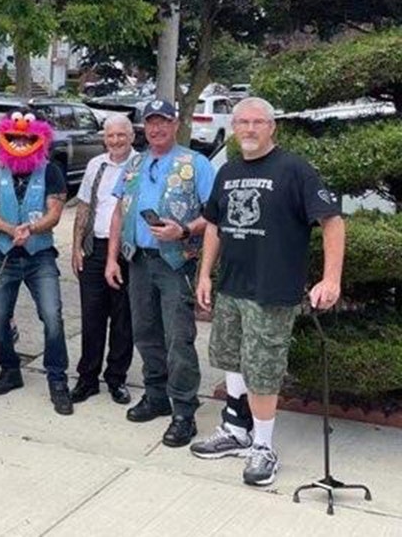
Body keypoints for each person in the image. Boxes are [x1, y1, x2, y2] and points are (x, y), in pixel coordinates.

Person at [191, 97, 343, 486]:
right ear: (235, 127)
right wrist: (205, 274)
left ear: (272, 127)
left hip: (272, 292)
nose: (249, 129)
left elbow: (332, 222)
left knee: (263, 370)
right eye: (242, 122)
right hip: (232, 286)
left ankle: (263, 447)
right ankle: (236, 430)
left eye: (258, 122)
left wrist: (331, 279)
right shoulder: (227, 171)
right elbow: (213, 225)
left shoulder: (295, 170)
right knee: (231, 357)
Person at [105, 99, 215, 448]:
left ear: (176, 123)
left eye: (163, 122)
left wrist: (183, 230)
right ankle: (156, 395)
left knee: (178, 339)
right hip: (138, 261)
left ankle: (184, 409)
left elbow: (214, 217)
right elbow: (119, 213)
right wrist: (111, 259)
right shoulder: (135, 163)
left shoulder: (195, 163)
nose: (156, 129)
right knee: (145, 332)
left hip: (175, 262)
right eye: (151, 123)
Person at [0, 111, 73, 415]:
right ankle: (10, 370)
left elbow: (55, 212)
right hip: (2, 253)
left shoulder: (51, 171)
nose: (21, 141)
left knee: (52, 315)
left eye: (27, 137)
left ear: (38, 139)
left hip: (39, 255)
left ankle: (57, 379)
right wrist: (10, 230)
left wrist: (31, 229)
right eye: (15, 137)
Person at [69, 115, 137, 405]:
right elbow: (83, 206)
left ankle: (117, 378)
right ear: (104, 138)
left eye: (122, 135)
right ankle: (87, 378)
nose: (116, 141)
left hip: (127, 251)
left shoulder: (141, 165)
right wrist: (75, 246)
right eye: (111, 136)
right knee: (92, 316)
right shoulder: (96, 165)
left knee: (123, 318)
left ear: (132, 136)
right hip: (94, 248)